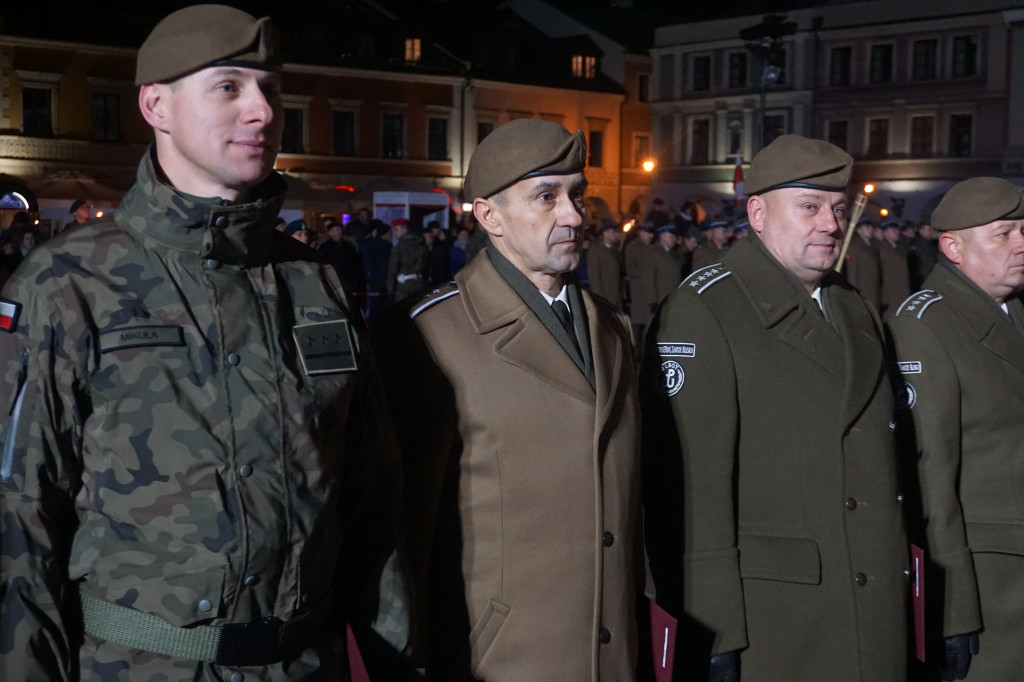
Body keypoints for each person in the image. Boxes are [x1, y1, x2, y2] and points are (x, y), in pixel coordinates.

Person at [0, 6, 407, 680]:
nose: (263, 112)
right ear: (156, 104)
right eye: (229, 87)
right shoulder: (68, 283)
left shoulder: (314, 285)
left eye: (270, 89)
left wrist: (395, 659)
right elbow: (18, 523)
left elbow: (372, 499)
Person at [376, 118, 644, 681]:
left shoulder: (612, 328)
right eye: (545, 197)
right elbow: (402, 533)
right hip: (499, 658)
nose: (572, 215)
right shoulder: (430, 335)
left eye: (577, 195)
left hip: (612, 653)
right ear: (488, 216)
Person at [642, 134, 908, 682]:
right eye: (809, 207)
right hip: (779, 618)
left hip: (869, 596)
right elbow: (689, 489)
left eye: (837, 208)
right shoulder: (706, 309)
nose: (831, 224)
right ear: (757, 213)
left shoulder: (853, 306)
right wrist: (711, 629)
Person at [887, 177, 1024, 682]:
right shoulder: (926, 325)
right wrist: (953, 605)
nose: (1022, 244)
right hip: (993, 574)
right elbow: (929, 480)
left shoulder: (1015, 313)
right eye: (1004, 234)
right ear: (953, 247)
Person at [625, 222, 655, 353]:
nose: (650, 236)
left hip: (648, 289)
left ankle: (643, 350)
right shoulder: (633, 247)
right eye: (648, 233)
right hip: (638, 289)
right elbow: (630, 267)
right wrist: (646, 272)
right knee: (637, 322)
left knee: (647, 321)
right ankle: (634, 350)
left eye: (651, 233)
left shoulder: (652, 248)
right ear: (641, 233)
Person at [387, 218, 430, 303]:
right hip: (420, 283)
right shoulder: (421, 244)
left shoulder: (399, 248)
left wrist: (390, 290)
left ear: (404, 229)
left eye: (396, 229)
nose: (394, 233)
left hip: (404, 286)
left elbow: (393, 269)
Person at [844, 217, 883, 311]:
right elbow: (852, 272)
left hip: (873, 290)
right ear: (859, 230)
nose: (871, 229)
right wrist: (854, 294)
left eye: (871, 227)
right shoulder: (854, 247)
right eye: (866, 227)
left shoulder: (871, 245)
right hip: (863, 291)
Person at [877, 219, 911, 319]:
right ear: (885, 233)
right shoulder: (881, 249)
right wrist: (883, 296)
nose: (897, 232)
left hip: (902, 291)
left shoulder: (899, 248)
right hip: (890, 293)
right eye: (893, 230)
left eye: (897, 230)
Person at [646, 225, 683, 311]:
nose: (674, 239)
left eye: (675, 237)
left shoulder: (673, 252)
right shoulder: (652, 252)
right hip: (661, 296)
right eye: (671, 236)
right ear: (663, 237)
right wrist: (652, 300)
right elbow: (649, 278)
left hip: (674, 296)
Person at [586, 220, 622, 308]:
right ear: (606, 233)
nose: (616, 235)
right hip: (605, 296)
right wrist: (600, 299)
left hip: (616, 296)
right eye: (614, 232)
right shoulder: (596, 251)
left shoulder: (614, 250)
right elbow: (595, 277)